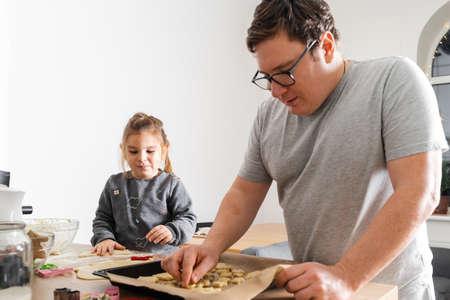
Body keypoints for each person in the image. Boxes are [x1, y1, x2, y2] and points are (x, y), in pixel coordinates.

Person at [162, 1, 448, 299]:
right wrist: (210, 247)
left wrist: (346, 276)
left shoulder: (393, 80)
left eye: (284, 72)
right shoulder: (268, 116)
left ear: (324, 45)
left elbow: (419, 192)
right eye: (267, 77)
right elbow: (244, 194)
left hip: (391, 290)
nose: (275, 90)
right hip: (314, 289)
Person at [91, 112, 197, 255]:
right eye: (133, 151)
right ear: (123, 150)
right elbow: (103, 219)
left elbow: (187, 218)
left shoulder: (172, 184)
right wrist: (104, 238)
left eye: (150, 151)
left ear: (164, 150)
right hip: (120, 260)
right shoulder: (114, 184)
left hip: (162, 261)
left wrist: (172, 230)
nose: (142, 158)